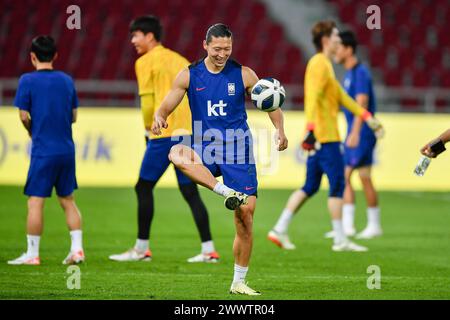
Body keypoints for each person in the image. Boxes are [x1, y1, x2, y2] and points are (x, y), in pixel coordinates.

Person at [151, 23, 288, 295]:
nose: (222, 53)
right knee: (176, 152)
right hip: (206, 146)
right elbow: (167, 105)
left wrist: (280, 130)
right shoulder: (189, 75)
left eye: (227, 48)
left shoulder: (244, 75)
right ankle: (224, 190)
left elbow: (271, 103)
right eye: (217, 48)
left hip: (238, 150)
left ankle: (238, 281)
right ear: (205, 45)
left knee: (245, 217)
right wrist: (159, 117)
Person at [109, 16, 219, 263]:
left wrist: (149, 132)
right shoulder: (180, 60)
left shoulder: (145, 61)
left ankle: (141, 249)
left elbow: (149, 103)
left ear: (149, 36)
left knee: (143, 187)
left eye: (136, 35)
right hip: (187, 134)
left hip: (163, 134)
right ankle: (209, 249)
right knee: (190, 191)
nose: (133, 41)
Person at [267, 21, 384, 252]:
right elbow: (312, 98)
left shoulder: (324, 65)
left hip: (318, 136)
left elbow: (340, 96)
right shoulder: (319, 64)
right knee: (338, 183)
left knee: (310, 186)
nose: (339, 42)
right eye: (336, 38)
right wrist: (310, 129)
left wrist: (366, 116)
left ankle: (279, 228)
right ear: (326, 40)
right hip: (324, 136)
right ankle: (340, 239)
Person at [8, 36, 84, 265]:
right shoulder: (66, 80)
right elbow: (74, 116)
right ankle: (77, 250)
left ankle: (32, 254)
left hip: (43, 150)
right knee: (68, 200)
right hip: (66, 150)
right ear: (55, 56)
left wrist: (32, 129)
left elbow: (23, 114)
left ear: (32, 56)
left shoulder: (27, 80)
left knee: (35, 202)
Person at [328, 30, 382, 239]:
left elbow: (362, 105)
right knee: (365, 177)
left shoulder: (359, 73)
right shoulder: (351, 73)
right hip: (362, 132)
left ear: (349, 50)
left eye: (338, 47)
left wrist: (355, 132)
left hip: (362, 133)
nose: (335, 52)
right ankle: (374, 225)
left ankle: (347, 226)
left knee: (344, 175)